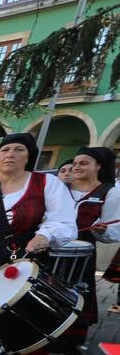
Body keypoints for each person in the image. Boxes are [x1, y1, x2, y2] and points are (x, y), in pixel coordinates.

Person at [0, 133, 76, 355]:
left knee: (16, 316)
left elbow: (63, 221)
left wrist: (45, 236)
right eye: (5, 149)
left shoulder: (46, 184)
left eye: (18, 149)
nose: (10, 154)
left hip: (24, 254)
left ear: (29, 156)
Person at [61, 147, 120, 344]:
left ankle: (66, 340)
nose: (76, 167)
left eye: (83, 163)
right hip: (48, 250)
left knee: (75, 293)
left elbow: (113, 232)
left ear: (98, 166)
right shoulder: (60, 187)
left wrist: (101, 230)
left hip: (82, 255)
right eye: (75, 163)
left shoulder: (109, 192)